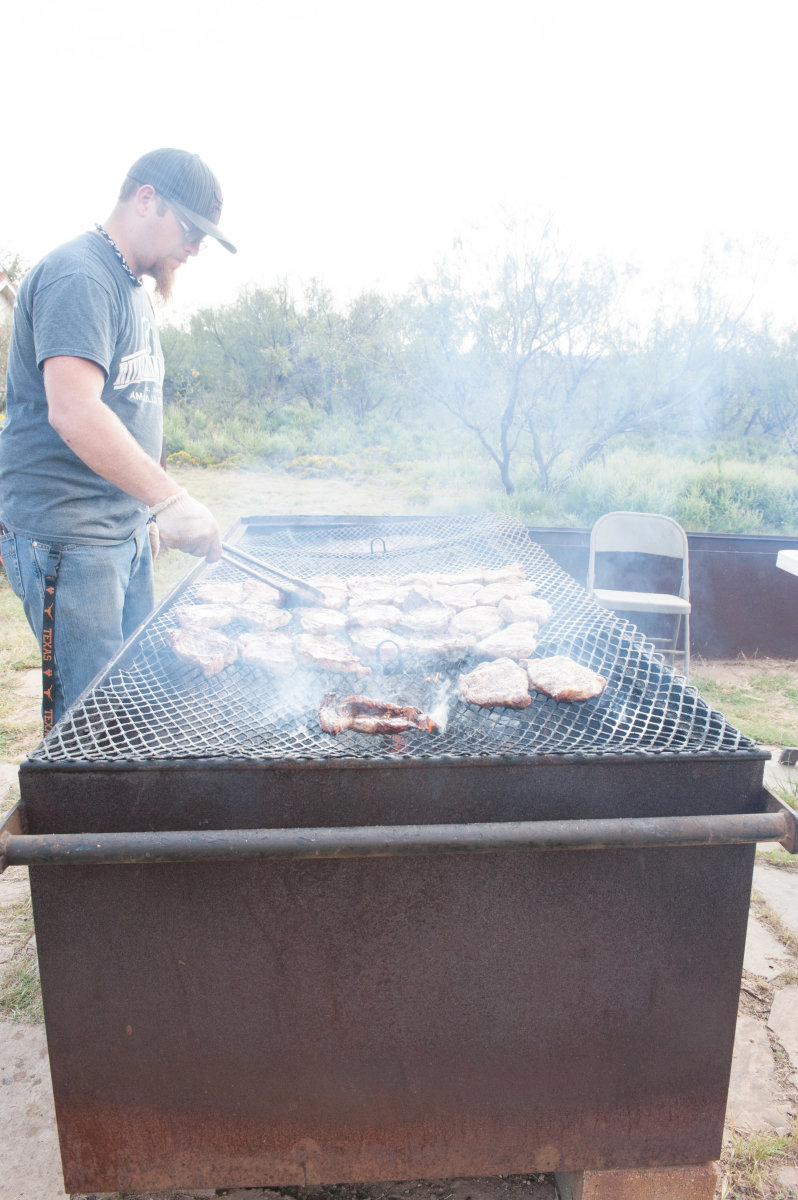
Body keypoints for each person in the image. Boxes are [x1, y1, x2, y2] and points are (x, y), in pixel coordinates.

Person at [0, 148, 236, 731]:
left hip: (122, 532)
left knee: (127, 701)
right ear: (146, 198)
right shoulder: (80, 274)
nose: (196, 247)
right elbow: (74, 412)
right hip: (69, 538)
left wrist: (145, 513)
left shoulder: (131, 288)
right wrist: (171, 500)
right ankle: (79, 822)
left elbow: (133, 410)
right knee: (89, 720)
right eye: (192, 228)